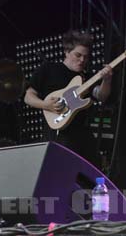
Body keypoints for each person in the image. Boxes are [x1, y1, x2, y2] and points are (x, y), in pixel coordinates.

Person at [24, 30, 113, 164]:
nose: (82, 60)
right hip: (58, 134)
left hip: (82, 134)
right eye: (78, 55)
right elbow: (28, 96)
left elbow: (101, 96)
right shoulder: (49, 69)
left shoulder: (87, 78)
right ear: (66, 51)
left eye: (86, 57)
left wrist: (107, 80)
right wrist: (45, 105)